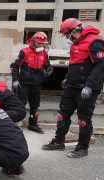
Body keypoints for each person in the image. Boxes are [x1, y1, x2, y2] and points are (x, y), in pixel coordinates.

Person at [42, 18, 104, 158]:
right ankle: (59, 142)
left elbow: (101, 66)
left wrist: (89, 86)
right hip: (72, 86)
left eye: (67, 35)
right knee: (62, 115)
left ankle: (82, 148)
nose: (68, 38)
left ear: (74, 31)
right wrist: (67, 78)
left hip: (87, 89)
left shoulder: (95, 41)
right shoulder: (75, 44)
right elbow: (75, 65)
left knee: (83, 120)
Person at [11, 31, 53, 134]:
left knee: (35, 106)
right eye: (39, 43)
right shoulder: (24, 52)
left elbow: (48, 66)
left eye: (43, 44)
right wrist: (15, 80)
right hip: (24, 83)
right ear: (33, 41)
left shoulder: (43, 53)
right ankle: (15, 124)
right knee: (20, 104)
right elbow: (15, 66)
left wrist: (49, 70)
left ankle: (33, 124)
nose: (41, 45)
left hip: (37, 84)